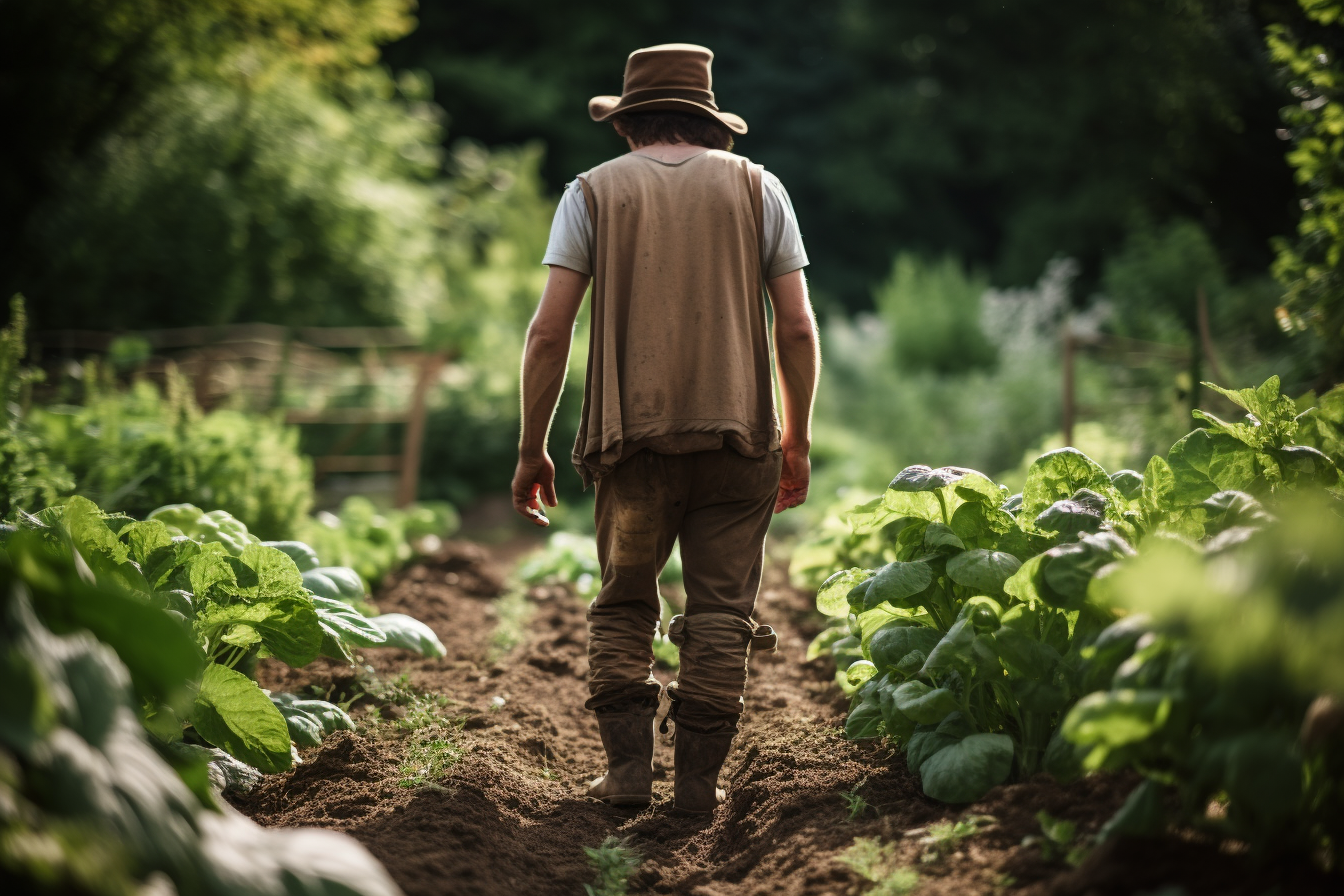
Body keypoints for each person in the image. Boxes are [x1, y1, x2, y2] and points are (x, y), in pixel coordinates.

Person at [511, 43, 819, 815]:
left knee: (623, 603)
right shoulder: (761, 189)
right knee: (722, 612)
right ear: (709, 122)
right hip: (740, 440)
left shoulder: (590, 194)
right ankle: (697, 786)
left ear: (628, 123)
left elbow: (550, 334)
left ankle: (624, 776)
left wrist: (531, 448)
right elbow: (798, 330)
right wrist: (798, 438)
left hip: (632, 443)